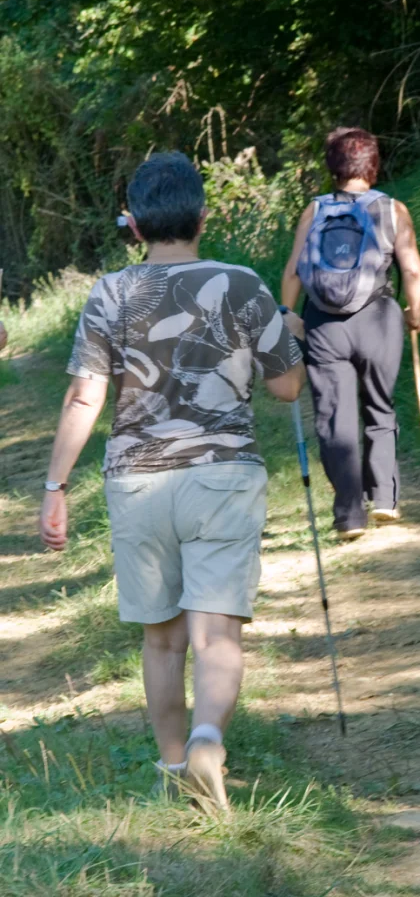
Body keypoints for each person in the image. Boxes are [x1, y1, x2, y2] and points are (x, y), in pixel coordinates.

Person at [39, 152, 304, 811]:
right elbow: (286, 386)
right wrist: (291, 334)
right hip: (222, 477)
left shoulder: (110, 292)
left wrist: (56, 485)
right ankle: (208, 741)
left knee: (162, 638)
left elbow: (83, 397)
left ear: (133, 225)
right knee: (216, 635)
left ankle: (171, 765)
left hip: (138, 482)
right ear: (203, 217)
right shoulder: (242, 283)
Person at [281, 126, 420, 539]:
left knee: (333, 417)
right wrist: (414, 312)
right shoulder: (394, 209)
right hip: (379, 317)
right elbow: (412, 269)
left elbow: (294, 269)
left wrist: (286, 314)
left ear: (333, 167)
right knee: (379, 406)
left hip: (324, 324)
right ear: (372, 165)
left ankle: (348, 514)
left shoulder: (314, 210)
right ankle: (385, 499)